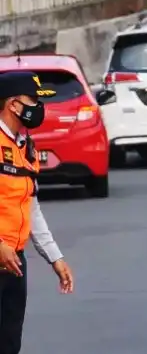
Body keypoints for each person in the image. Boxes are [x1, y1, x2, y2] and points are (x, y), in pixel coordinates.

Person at [0, 73, 74, 353]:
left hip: (14, 263)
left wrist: (55, 257)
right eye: (34, 102)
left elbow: (30, 205)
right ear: (14, 105)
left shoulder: (25, 147)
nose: (39, 109)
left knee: (9, 344)